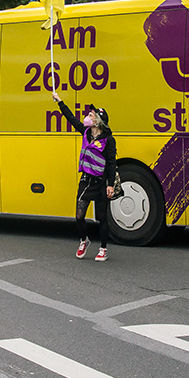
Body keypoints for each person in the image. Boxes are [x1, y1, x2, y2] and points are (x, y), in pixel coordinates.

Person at [51, 91, 116, 261]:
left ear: (98, 121)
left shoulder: (108, 140)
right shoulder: (86, 132)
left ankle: (103, 248)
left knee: (102, 217)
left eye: (91, 115)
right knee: (79, 215)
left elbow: (111, 163)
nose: (87, 116)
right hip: (86, 180)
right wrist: (59, 101)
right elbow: (71, 118)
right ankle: (84, 240)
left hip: (100, 182)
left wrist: (110, 184)